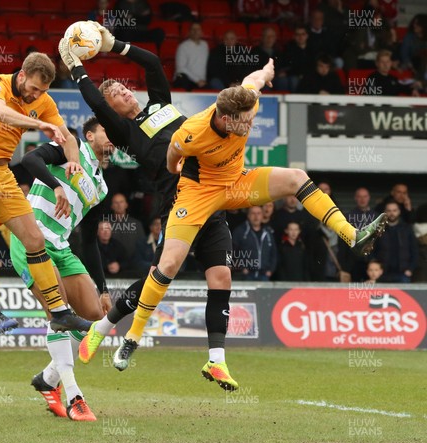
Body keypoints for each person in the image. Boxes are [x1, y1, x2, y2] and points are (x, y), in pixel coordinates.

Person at [111, 57, 387, 374]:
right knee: (168, 264)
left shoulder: (246, 102)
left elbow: (254, 78)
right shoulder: (194, 131)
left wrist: (268, 71)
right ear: (224, 118)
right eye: (242, 122)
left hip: (238, 184)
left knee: (297, 177)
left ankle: (352, 235)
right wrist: (175, 172)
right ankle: (132, 337)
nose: (248, 125)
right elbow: (173, 154)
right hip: (198, 192)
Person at [59, 24, 238, 391]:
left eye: (123, 87)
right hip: (179, 204)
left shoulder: (160, 105)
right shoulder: (125, 132)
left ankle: (216, 361)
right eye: (116, 95)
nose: (123, 91)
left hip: (210, 197)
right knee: (160, 278)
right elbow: (94, 101)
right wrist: (77, 68)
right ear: (114, 112)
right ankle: (105, 326)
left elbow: (154, 62)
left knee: (221, 278)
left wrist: (116, 46)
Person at [0, 52, 89, 334]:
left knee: (35, 239)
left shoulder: (43, 101)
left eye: (43, 91)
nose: (36, 95)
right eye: (34, 88)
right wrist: (40, 124)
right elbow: (0, 112)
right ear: (22, 75)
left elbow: (69, 139)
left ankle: (60, 312)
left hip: (2, 174)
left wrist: (73, 159)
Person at [11, 116, 113, 422]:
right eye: (108, 132)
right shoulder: (72, 147)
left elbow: (89, 239)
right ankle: (74, 398)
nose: (113, 141)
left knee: (95, 318)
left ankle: (47, 378)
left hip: (62, 246)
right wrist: (56, 185)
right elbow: (30, 159)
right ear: (90, 135)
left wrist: (104, 287)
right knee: (58, 313)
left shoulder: (101, 187)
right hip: (31, 236)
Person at [374, 200, 418, 283]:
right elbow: (371, 249)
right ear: (384, 212)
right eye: (389, 211)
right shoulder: (378, 229)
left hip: (403, 274)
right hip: (382, 273)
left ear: (399, 211)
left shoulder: (407, 229)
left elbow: (414, 250)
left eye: (394, 210)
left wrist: (410, 270)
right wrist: (375, 268)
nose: (392, 213)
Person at [232, 206, 277, 281]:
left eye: (259, 213)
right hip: (246, 275)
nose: (256, 216)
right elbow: (231, 252)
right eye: (253, 213)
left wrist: (270, 270)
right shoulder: (240, 231)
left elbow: (274, 253)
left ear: (262, 215)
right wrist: (241, 268)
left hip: (264, 275)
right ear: (248, 215)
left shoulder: (268, 232)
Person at [107, 192, 145, 266]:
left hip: (134, 264)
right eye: (116, 202)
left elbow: (142, 245)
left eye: (121, 202)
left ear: (126, 205)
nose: (119, 205)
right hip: (113, 265)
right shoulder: (106, 225)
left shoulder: (137, 224)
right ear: (112, 206)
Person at [174, 22, 209, 91]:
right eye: (193, 29)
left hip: (201, 81)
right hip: (187, 80)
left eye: (198, 29)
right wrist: (197, 80)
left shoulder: (205, 45)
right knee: (182, 77)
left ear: (201, 32)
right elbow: (180, 68)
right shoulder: (183, 46)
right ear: (189, 32)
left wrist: (201, 81)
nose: (196, 31)